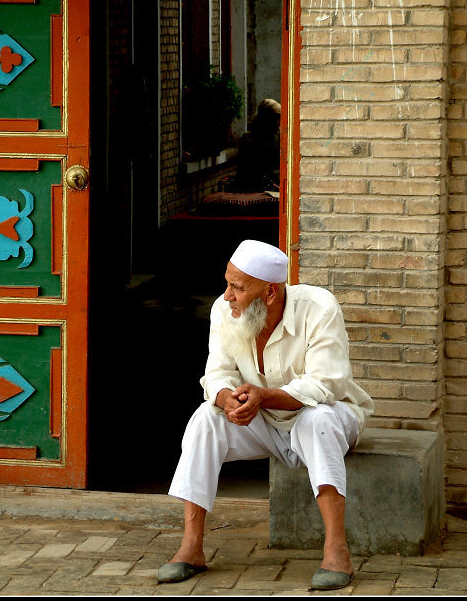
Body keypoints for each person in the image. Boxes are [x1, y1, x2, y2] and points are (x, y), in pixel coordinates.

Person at [157, 240, 374, 591]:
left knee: (316, 421)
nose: (227, 296)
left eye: (237, 288)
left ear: (270, 292)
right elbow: (217, 374)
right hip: (265, 423)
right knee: (205, 418)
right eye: (227, 283)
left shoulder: (319, 308)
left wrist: (264, 396)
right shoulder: (224, 310)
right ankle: (191, 548)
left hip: (330, 418)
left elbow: (326, 384)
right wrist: (228, 398)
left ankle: (337, 552)